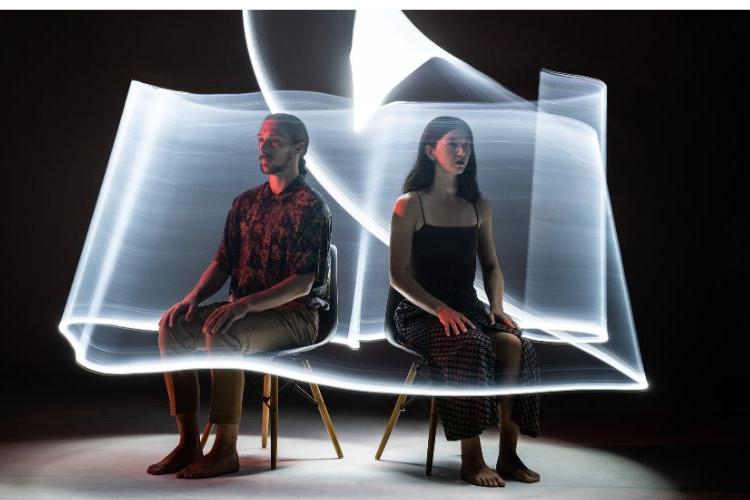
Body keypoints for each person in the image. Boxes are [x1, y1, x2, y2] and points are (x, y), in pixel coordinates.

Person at [147, 113, 332, 479]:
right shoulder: (245, 203)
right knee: (174, 328)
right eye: (260, 139)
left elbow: (303, 283)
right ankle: (188, 443)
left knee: (222, 333)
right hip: (243, 311)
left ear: (300, 148)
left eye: (274, 141)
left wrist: (243, 305)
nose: (264, 146)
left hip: (293, 316)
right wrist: (193, 299)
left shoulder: (311, 207)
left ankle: (225, 449)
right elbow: (222, 263)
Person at [389, 116, 541, 487]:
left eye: (467, 145)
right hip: (420, 313)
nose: (461, 152)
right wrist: (439, 309)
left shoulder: (477, 205)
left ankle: (508, 455)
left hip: (467, 309)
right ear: (430, 151)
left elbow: (491, 267)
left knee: (518, 346)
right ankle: (471, 459)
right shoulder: (409, 205)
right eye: (453, 144)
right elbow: (399, 276)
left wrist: (498, 307)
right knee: (471, 346)